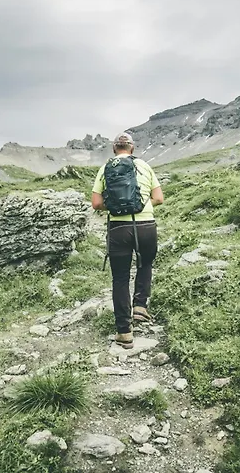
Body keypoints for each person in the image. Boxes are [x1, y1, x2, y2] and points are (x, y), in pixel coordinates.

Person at [91, 132, 164, 349]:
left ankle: (124, 332)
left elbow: (96, 203)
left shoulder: (106, 168)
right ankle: (140, 307)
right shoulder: (144, 166)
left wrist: (116, 206)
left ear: (114, 148)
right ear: (132, 148)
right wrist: (140, 205)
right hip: (146, 226)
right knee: (145, 264)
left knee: (120, 278)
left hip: (118, 229)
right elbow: (159, 198)